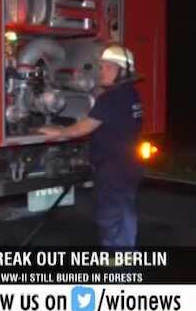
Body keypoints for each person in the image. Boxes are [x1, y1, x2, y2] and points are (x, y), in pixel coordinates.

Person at [38, 43, 143, 248]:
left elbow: (83, 128)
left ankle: (117, 265)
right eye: (102, 67)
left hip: (113, 169)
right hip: (128, 165)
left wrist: (58, 132)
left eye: (107, 67)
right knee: (125, 214)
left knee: (111, 219)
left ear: (120, 71)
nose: (101, 71)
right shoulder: (131, 94)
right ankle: (126, 261)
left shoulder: (111, 99)